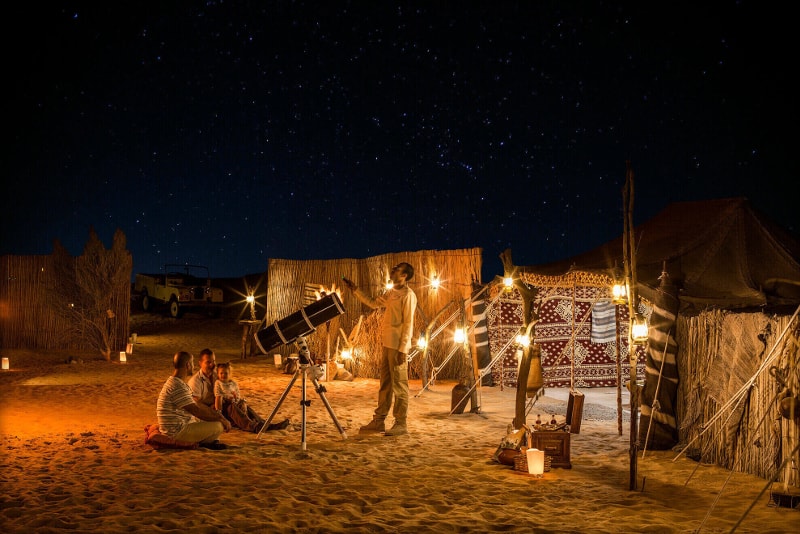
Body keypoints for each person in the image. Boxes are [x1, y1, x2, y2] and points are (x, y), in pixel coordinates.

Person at [342, 262, 417, 436]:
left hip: (398, 347)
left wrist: (403, 349)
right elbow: (373, 303)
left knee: (400, 385)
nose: (392, 271)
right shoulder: (392, 293)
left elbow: (408, 324)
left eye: (397, 270)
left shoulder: (408, 295)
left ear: (404, 275)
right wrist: (356, 290)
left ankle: (401, 423)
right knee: (385, 385)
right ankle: (379, 421)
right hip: (387, 344)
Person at [156, 351, 232, 450]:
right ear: (187, 365)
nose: (193, 366)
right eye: (192, 363)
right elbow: (196, 410)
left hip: (179, 426)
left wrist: (218, 415)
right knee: (219, 426)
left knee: (210, 420)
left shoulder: (176, 382)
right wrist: (221, 419)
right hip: (177, 432)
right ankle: (204, 442)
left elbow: (197, 405)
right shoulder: (177, 386)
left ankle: (207, 442)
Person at [214, 362, 290, 432]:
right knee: (233, 408)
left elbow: (237, 395)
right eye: (221, 373)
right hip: (225, 406)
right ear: (218, 374)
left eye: (225, 373)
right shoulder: (218, 383)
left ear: (229, 373)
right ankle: (254, 427)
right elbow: (218, 396)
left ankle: (264, 423)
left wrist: (240, 402)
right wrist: (221, 410)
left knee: (248, 409)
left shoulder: (233, 383)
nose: (223, 375)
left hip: (234, 403)